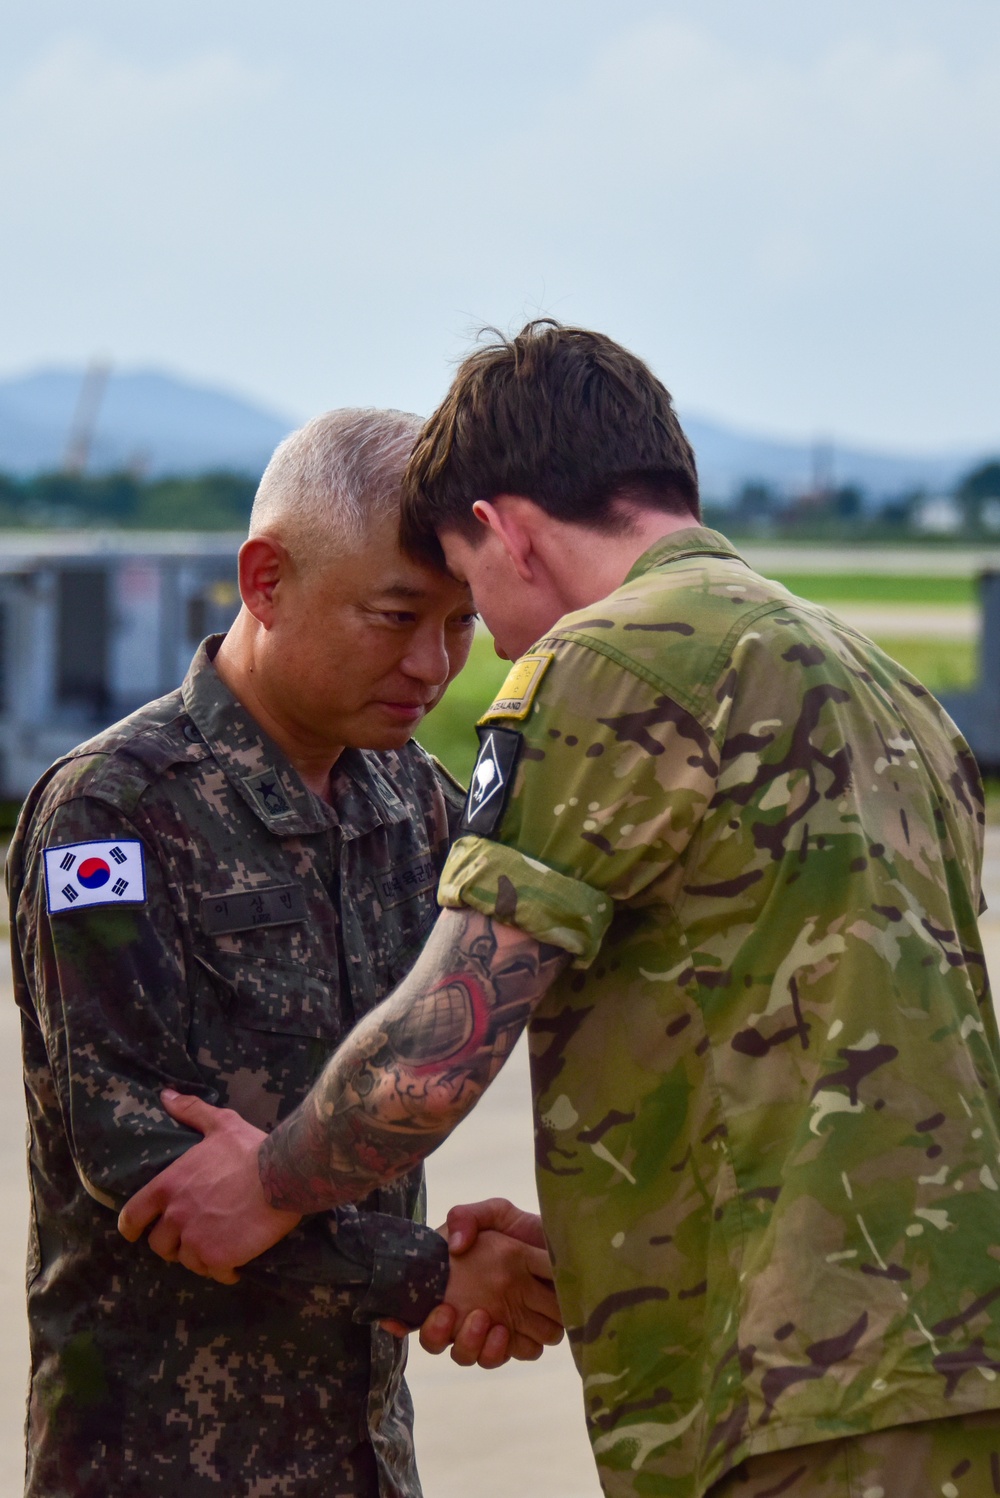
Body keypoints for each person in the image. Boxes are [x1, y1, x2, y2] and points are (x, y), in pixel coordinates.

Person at [121, 327, 1000, 1497]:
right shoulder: (884, 686)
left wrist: (270, 1182)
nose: (470, 646)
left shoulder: (610, 665)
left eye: (468, 593)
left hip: (796, 1367)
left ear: (505, 528)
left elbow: (440, 1045)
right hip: (951, 1345)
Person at [10, 406, 562, 1498]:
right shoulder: (115, 814)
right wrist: (437, 1271)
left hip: (361, 1453)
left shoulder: (412, 803)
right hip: (155, 1462)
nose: (432, 664)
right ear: (265, 580)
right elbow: (141, 1166)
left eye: (458, 623)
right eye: (395, 616)